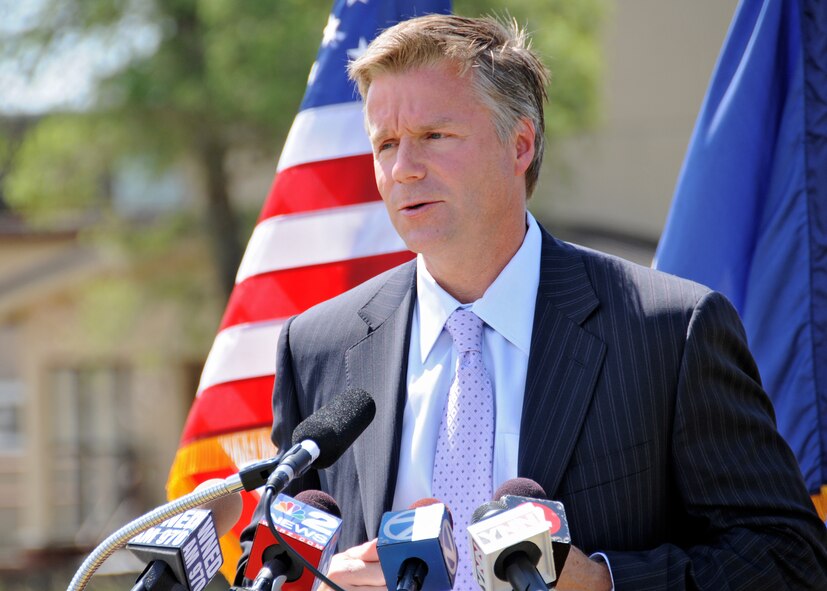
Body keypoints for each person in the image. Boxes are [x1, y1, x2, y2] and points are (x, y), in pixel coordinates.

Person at [237, 14, 827, 590]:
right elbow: (270, 559)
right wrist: (318, 583)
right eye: (385, 143)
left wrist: (604, 582)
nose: (403, 168)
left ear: (520, 144)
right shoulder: (318, 346)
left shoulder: (669, 331)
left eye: (433, 136)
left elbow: (787, 558)